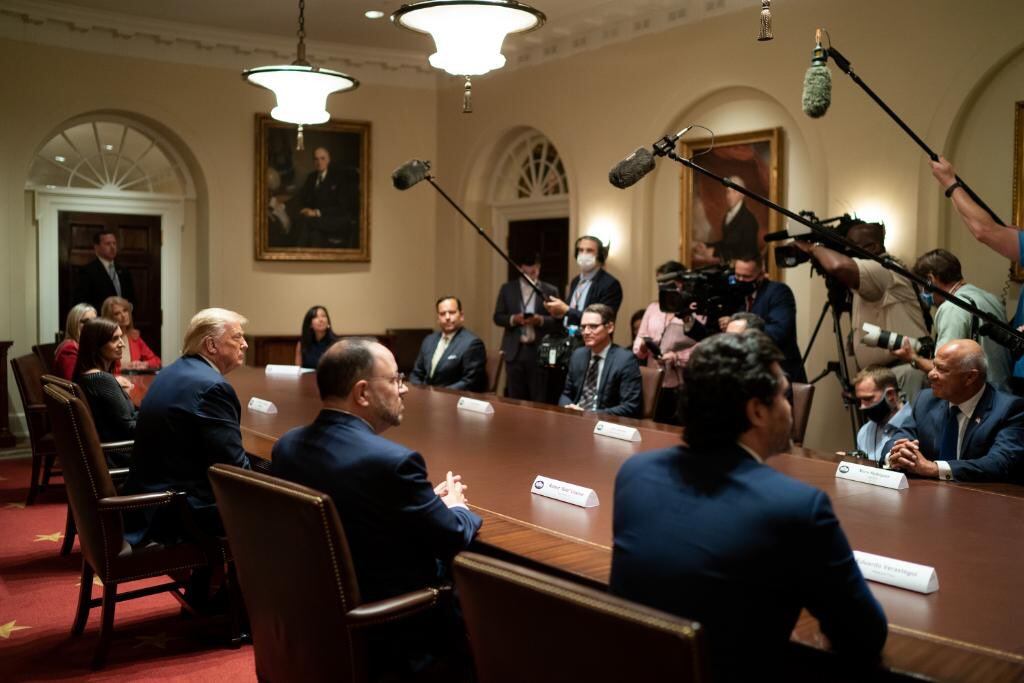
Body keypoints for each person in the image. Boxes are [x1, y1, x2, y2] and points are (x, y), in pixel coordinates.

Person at [610, 331, 887, 680]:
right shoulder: (795, 507)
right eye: (783, 395)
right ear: (757, 411)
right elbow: (863, 636)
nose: (789, 408)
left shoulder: (636, 473)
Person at [272, 338, 481, 679]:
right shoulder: (393, 462)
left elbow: (358, 503)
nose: (404, 389)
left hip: (314, 615)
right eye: (396, 379)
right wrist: (457, 507)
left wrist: (421, 500)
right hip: (390, 624)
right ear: (363, 393)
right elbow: (453, 535)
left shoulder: (287, 446)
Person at [124, 308, 252, 546]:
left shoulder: (171, 371)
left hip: (147, 502)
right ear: (211, 345)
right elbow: (234, 469)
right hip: (178, 511)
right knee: (281, 510)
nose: (244, 344)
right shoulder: (213, 387)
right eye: (237, 337)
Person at [793, 221, 928, 400]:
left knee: (907, 420)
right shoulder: (870, 279)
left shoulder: (883, 269)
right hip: (887, 375)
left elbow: (838, 266)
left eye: (851, 245)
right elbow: (867, 334)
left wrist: (812, 248)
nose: (846, 251)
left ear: (873, 247)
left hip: (905, 371)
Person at [884, 339, 1024, 483]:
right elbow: (899, 437)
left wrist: (934, 469)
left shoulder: (1010, 409)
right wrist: (897, 454)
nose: (931, 374)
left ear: (970, 377)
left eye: (942, 369)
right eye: (934, 366)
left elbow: (1000, 463)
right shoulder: (926, 400)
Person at [892, 248, 1012, 391]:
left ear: (930, 280)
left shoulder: (952, 308)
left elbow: (942, 369)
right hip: (1004, 393)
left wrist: (912, 358)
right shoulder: (992, 299)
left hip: (981, 397)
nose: (922, 294)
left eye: (921, 287)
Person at [719, 254, 806, 382]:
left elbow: (779, 332)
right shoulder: (735, 294)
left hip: (780, 373)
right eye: (737, 275)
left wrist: (739, 326)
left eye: (746, 277)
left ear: (761, 275)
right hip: (747, 374)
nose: (740, 280)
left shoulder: (778, 292)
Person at [633, 262, 699, 423]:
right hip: (654, 380)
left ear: (680, 283)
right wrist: (643, 347)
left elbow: (701, 344)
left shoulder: (694, 309)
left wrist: (676, 356)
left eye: (666, 282)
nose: (661, 287)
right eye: (659, 282)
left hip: (682, 381)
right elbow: (639, 338)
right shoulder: (653, 308)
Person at [492, 255, 560, 401]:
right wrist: (514, 319)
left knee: (539, 397)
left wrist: (540, 320)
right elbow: (497, 317)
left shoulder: (550, 290)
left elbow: (558, 321)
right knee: (514, 397)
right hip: (514, 350)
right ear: (520, 268)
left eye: (535, 270)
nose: (532, 273)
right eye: (528, 270)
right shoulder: (507, 289)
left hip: (539, 350)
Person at [560, 304, 642, 418]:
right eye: (583, 327)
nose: (586, 332)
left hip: (604, 422)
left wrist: (590, 414)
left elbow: (630, 406)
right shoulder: (578, 355)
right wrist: (568, 407)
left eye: (593, 326)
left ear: (610, 327)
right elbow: (566, 394)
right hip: (575, 418)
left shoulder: (625, 359)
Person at [73, 317, 137, 452]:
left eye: (121, 337)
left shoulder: (86, 375)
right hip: (121, 453)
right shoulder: (101, 379)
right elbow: (130, 429)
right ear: (96, 344)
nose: (122, 344)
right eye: (115, 339)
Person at [410, 296, 487, 393]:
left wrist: (438, 394)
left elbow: (471, 382)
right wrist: (420, 392)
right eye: (442, 314)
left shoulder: (472, 343)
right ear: (438, 318)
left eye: (452, 312)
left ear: (461, 316)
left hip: (452, 397)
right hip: (424, 396)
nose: (447, 317)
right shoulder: (429, 340)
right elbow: (417, 373)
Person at [543, 236, 623, 326]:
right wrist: (557, 311)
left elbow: (602, 319)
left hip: (591, 334)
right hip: (568, 333)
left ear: (599, 255)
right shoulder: (576, 281)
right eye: (581, 250)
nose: (584, 254)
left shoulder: (610, 284)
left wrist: (566, 309)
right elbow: (570, 313)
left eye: (589, 250)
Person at [295, 146, 360, 248]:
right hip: (318, 222)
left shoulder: (339, 178)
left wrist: (317, 212)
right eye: (316, 159)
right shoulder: (311, 177)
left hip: (335, 219)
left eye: (322, 158)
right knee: (315, 234)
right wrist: (304, 208)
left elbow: (342, 207)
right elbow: (303, 197)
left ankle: (297, 251)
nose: (319, 162)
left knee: (306, 221)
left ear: (328, 160)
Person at [693, 176, 760, 265]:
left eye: (734, 191)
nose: (729, 196)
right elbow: (726, 243)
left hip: (744, 269)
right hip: (729, 265)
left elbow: (746, 252)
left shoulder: (749, 220)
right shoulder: (728, 216)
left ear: (742, 194)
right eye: (728, 192)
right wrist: (706, 246)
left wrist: (715, 252)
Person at [852, 366, 912, 463]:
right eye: (860, 400)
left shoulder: (918, 423)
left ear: (890, 394)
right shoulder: (864, 432)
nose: (862, 406)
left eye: (868, 399)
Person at [72, 229, 136, 315]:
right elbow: (82, 303)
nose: (112, 247)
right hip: (101, 319)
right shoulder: (87, 271)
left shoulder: (123, 271)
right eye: (108, 244)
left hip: (123, 319)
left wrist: (129, 307)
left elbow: (132, 298)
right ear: (96, 247)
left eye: (114, 243)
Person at [102, 296, 161, 371]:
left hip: (134, 378)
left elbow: (156, 361)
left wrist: (144, 364)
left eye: (125, 310)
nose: (123, 315)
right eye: (117, 313)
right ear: (109, 318)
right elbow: (100, 369)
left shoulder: (134, 337)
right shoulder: (105, 341)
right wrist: (122, 368)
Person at [53, 303, 97, 380]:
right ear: (74, 323)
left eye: (95, 321)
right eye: (86, 321)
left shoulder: (87, 345)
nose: (92, 325)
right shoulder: (69, 347)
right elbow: (72, 381)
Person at [294, 305, 340, 369]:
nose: (321, 320)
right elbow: (298, 369)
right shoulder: (302, 343)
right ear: (310, 324)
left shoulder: (336, 343)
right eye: (315, 317)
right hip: (307, 375)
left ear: (328, 322)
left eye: (323, 316)